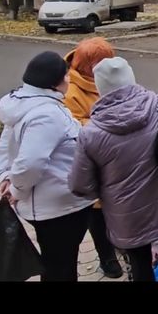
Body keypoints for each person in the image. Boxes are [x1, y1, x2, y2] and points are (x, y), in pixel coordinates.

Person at [69, 57, 158, 282]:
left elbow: (80, 185)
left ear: (100, 88)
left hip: (126, 216)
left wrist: (106, 192)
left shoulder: (90, 133)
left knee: (139, 264)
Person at [0, 51, 94, 281]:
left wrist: (5, 176)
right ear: (53, 82)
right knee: (59, 267)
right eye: (66, 76)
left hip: (53, 203)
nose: (69, 80)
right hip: (58, 207)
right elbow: (30, 163)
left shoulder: (23, 103)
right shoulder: (46, 115)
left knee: (58, 263)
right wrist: (16, 188)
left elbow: (5, 146)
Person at [62, 37, 122, 278]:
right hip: (93, 159)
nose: (108, 66)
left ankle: (120, 241)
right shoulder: (72, 90)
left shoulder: (110, 76)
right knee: (96, 210)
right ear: (87, 65)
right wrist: (107, 123)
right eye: (101, 63)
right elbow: (75, 124)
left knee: (117, 204)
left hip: (117, 156)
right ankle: (106, 256)